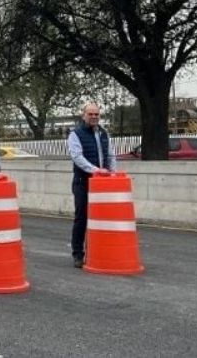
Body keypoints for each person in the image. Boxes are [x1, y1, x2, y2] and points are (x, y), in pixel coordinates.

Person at [67, 102, 116, 269]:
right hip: (83, 182)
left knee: (102, 219)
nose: (94, 117)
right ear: (83, 116)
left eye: (96, 114)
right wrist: (95, 170)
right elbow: (77, 157)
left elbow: (110, 155)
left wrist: (112, 173)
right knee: (81, 217)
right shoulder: (76, 134)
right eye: (91, 114)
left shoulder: (103, 133)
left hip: (101, 183)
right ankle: (78, 254)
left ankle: (99, 252)